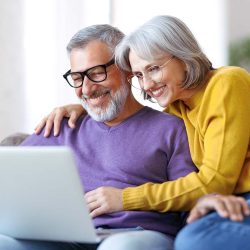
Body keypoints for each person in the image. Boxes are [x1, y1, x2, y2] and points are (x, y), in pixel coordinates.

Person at [35, 15, 250, 249]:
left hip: (235, 197)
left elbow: (215, 182)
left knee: (192, 241)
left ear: (183, 57)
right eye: (139, 75)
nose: (146, 85)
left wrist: (124, 198)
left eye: (153, 69)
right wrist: (88, 106)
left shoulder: (227, 82)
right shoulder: (177, 108)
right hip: (226, 201)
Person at [0, 24, 199, 250]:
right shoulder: (61, 127)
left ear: (127, 69)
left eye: (96, 73)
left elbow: (190, 197)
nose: (86, 89)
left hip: (139, 235)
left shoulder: (170, 128)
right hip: (68, 240)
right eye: (77, 77)